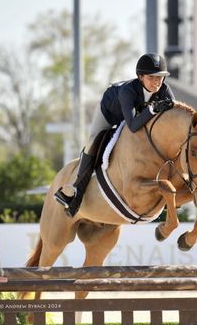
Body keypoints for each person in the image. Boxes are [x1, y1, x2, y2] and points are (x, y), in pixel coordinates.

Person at [54, 53, 175, 217]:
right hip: (110, 113)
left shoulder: (165, 91)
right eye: (152, 77)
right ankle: (76, 191)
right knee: (93, 141)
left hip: (137, 116)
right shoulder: (128, 91)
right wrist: (152, 110)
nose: (157, 81)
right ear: (140, 77)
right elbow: (132, 125)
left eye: (160, 77)